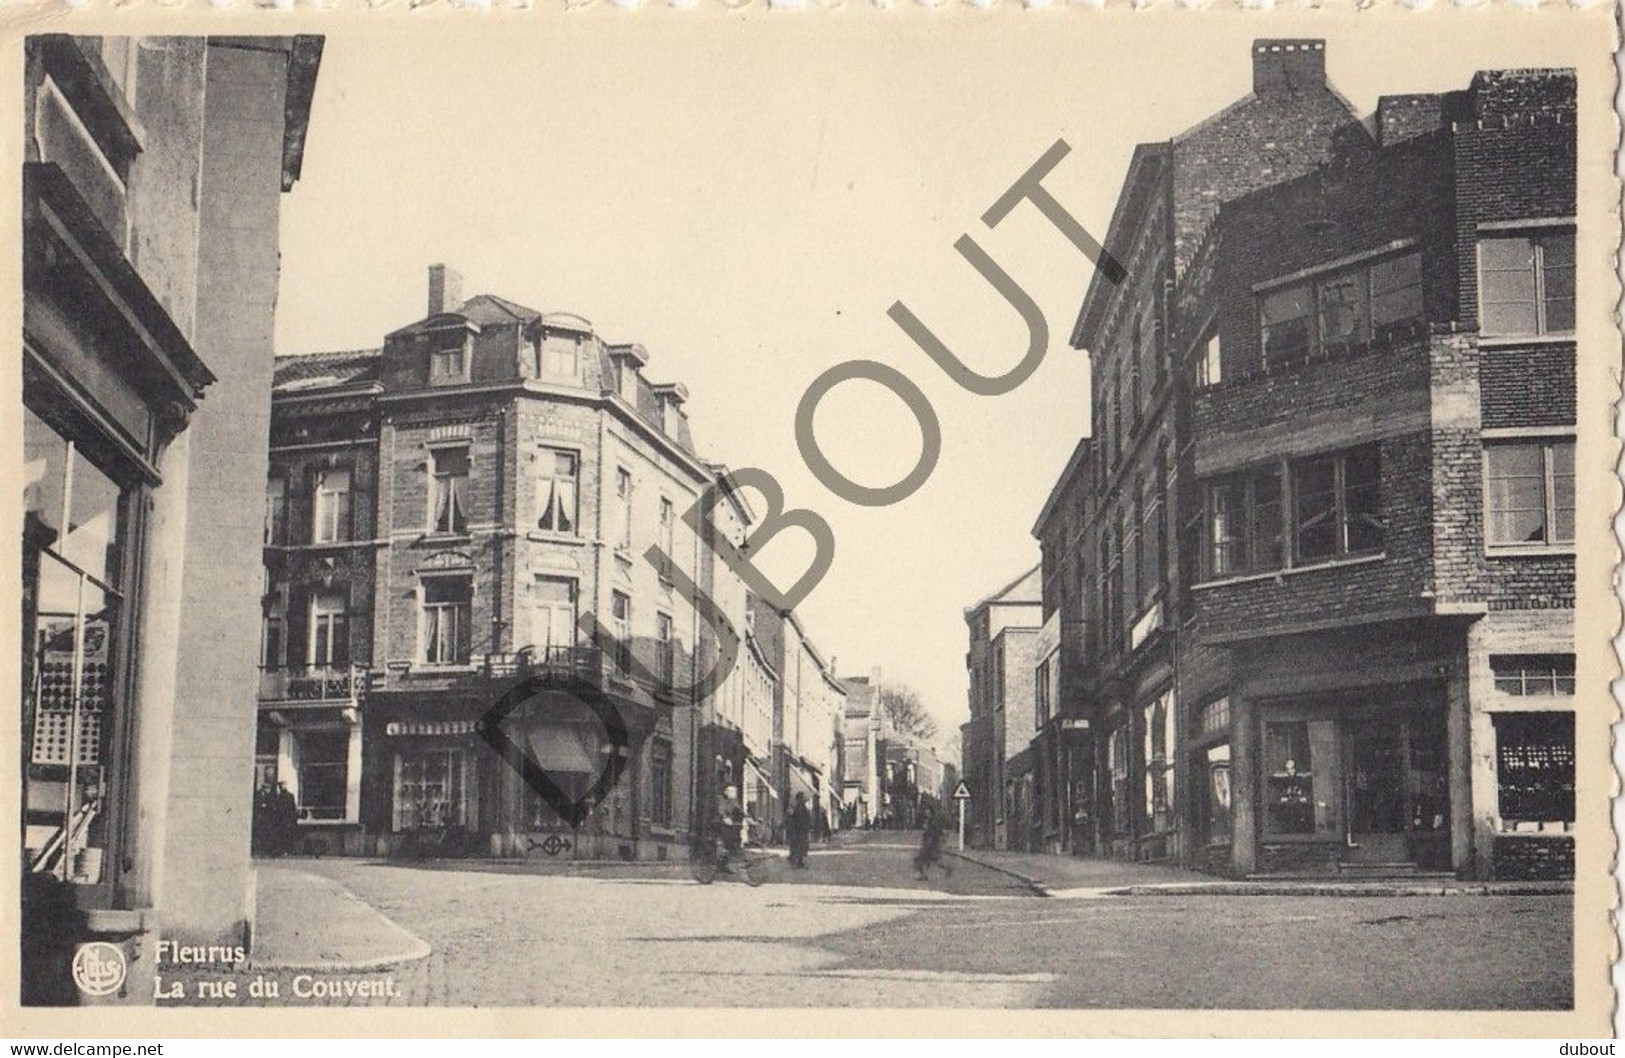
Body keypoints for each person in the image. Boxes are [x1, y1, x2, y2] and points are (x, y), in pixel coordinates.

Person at [914, 799, 952, 881]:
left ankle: (948, 868)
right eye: (925, 812)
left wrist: (930, 844)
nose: (926, 813)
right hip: (929, 843)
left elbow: (933, 834)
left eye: (927, 812)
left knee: (932, 860)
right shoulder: (929, 821)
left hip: (932, 844)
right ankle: (923, 875)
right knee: (924, 860)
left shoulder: (933, 822)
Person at [273, 781, 300, 857]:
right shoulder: (284, 796)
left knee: (285, 835)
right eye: (280, 785)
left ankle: (286, 850)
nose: (281, 787)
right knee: (285, 835)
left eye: (282, 785)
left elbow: (292, 808)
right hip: (285, 819)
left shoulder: (284, 796)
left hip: (285, 819)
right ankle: (287, 850)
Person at [786, 792, 811, 869]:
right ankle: (796, 863)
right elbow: (798, 819)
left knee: (800, 847)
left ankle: (799, 862)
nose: (804, 799)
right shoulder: (799, 807)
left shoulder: (800, 807)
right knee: (799, 846)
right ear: (800, 799)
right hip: (799, 831)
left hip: (800, 830)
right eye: (803, 798)